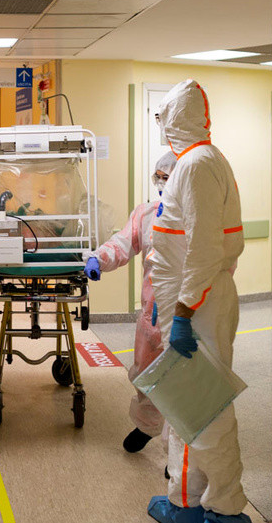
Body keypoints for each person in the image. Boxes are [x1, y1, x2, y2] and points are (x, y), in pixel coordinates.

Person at [146, 79, 249, 523]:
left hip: (200, 306)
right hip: (187, 302)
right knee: (183, 403)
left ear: (175, 117)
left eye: (162, 116)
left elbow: (205, 249)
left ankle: (226, 508)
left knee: (207, 409)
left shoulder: (198, 166)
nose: (160, 125)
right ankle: (184, 501)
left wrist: (185, 310)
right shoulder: (192, 162)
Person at [84, 150, 178, 453]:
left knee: (183, 383)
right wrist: (100, 257)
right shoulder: (147, 213)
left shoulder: (197, 217)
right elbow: (124, 242)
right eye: (159, 177)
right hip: (152, 312)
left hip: (187, 311)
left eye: (169, 178)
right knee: (145, 372)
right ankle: (148, 426)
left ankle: (177, 457)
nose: (162, 183)